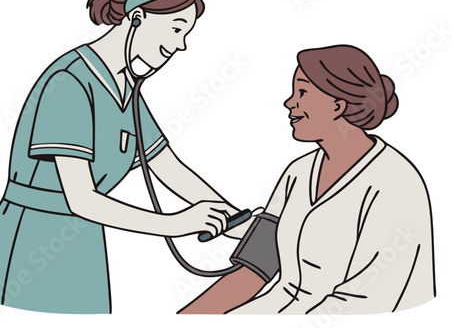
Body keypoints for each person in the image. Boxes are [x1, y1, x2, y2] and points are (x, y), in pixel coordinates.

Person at [0, 0, 239, 314]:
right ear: (137, 18)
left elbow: (170, 169)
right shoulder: (70, 83)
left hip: (83, 245)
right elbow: (81, 199)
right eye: (176, 29)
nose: (181, 45)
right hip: (28, 247)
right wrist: (175, 224)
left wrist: (238, 221)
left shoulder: (127, 88)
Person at [179, 44, 436, 314]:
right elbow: (255, 268)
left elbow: (368, 299)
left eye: (301, 92)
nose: (289, 103)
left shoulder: (394, 182)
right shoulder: (298, 172)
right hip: (279, 308)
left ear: (337, 105)